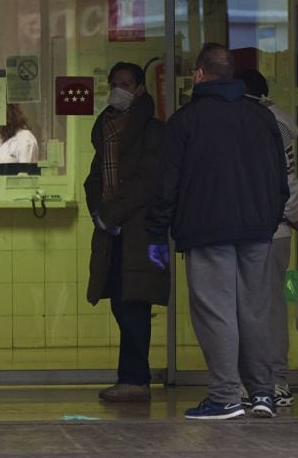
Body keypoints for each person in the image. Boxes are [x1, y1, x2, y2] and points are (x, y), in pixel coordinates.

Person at [147, 43, 289, 420]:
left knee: (217, 312)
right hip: (258, 230)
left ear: (198, 75)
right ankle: (262, 393)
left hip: (205, 229)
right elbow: (281, 180)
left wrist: (157, 233)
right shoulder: (262, 118)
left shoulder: (184, 121)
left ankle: (226, 395)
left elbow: (166, 186)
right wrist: (270, 218)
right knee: (255, 311)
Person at [84, 62, 167, 403]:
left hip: (140, 230)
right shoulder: (104, 127)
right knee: (120, 301)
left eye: (126, 83)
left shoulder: (151, 130)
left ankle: (134, 378)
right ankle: (132, 376)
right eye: (114, 83)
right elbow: (94, 178)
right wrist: (98, 214)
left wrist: (111, 213)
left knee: (133, 303)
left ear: (141, 88)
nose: (119, 89)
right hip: (112, 229)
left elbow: (146, 181)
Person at [235, 67, 298, 408]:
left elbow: (287, 178)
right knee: (264, 307)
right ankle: (267, 380)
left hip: (266, 230)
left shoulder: (270, 124)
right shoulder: (274, 121)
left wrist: (288, 216)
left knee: (264, 307)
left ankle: (273, 379)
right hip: (271, 228)